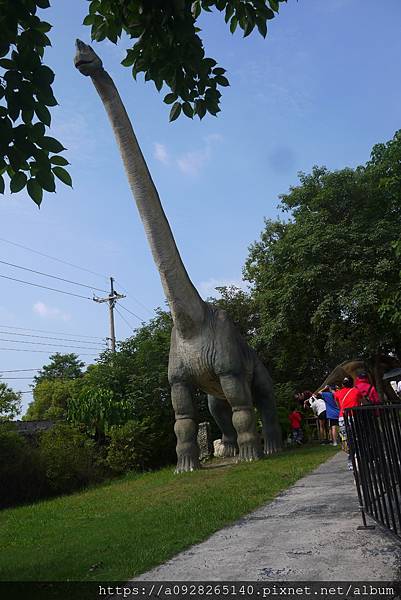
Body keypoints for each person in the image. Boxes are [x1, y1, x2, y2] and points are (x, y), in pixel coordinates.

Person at [334, 377, 363, 470]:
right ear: (352, 383)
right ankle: (356, 457)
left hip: (342, 417)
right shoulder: (356, 391)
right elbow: (360, 402)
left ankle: (351, 459)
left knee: (346, 439)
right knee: (356, 438)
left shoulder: (337, 393)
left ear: (343, 384)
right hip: (353, 416)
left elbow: (338, 405)